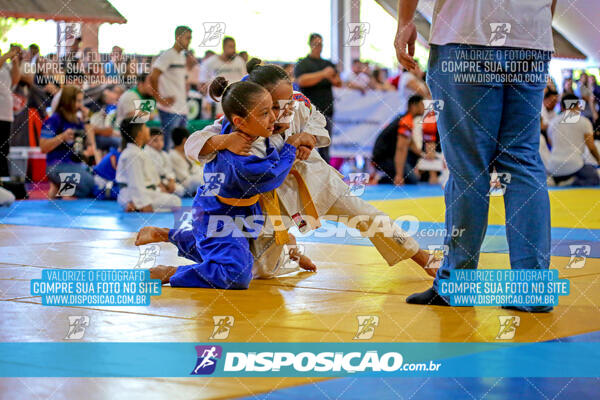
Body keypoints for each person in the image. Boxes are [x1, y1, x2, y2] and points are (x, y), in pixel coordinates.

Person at [185, 62, 439, 278]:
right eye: (272, 108)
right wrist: (223, 141)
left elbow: (318, 119)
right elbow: (193, 143)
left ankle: (423, 257)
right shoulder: (234, 123)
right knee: (261, 270)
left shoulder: (296, 104)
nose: (281, 115)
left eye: (286, 106)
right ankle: (286, 252)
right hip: (276, 199)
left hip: (320, 183)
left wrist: (310, 136)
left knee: (368, 216)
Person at [395, 0, 556, 312]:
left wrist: (405, 20)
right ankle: (533, 290)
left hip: (466, 34)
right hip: (531, 40)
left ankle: (456, 286)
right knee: (523, 162)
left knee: (469, 167)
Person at [141, 79, 316, 287]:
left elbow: (239, 95)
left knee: (238, 253)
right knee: (238, 273)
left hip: (242, 213)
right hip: (215, 214)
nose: (274, 117)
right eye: (265, 113)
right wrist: (292, 144)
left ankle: (169, 235)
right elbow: (273, 174)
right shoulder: (239, 158)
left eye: (273, 109)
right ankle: (171, 272)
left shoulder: (239, 125)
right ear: (239, 121)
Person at [40, 85, 96, 198]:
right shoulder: (55, 120)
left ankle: (61, 191)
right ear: (68, 101)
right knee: (91, 186)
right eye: (78, 101)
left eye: (81, 101)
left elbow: (91, 143)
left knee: (96, 183)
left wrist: (87, 121)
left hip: (74, 165)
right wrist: (62, 137)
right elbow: (43, 147)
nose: (81, 105)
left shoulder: (77, 120)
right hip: (57, 164)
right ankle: (62, 190)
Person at [294, 33, 342, 163]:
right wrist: (323, 74)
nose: (319, 47)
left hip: (327, 109)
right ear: (310, 44)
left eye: (321, 44)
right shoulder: (303, 63)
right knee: (307, 144)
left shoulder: (328, 63)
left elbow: (338, 82)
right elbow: (302, 81)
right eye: (316, 44)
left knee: (325, 145)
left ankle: (325, 175)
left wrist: (331, 76)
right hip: (308, 111)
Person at [115, 118, 181, 212]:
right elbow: (136, 183)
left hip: (145, 192)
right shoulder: (133, 154)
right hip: (131, 195)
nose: (148, 130)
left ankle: (136, 206)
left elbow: (151, 178)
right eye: (145, 127)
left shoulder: (139, 152)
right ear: (140, 134)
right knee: (175, 202)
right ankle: (136, 206)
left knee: (175, 201)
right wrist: (144, 204)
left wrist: (161, 187)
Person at [150, 26, 191, 150]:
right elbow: (153, 76)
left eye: (190, 38)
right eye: (187, 38)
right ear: (178, 38)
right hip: (169, 110)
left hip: (181, 107)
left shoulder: (181, 56)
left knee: (180, 146)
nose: (189, 41)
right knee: (168, 145)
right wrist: (159, 98)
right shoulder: (168, 55)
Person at [372, 95, 425, 185]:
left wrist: (424, 155)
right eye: (422, 105)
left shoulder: (404, 118)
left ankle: (391, 176)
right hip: (382, 159)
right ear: (413, 106)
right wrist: (399, 175)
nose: (424, 108)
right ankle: (381, 180)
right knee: (413, 180)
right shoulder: (406, 121)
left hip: (384, 157)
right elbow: (401, 149)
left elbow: (410, 143)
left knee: (414, 169)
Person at [548, 94, 600, 186]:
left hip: (553, 168)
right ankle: (572, 183)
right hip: (574, 166)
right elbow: (591, 147)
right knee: (595, 178)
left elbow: (552, 144)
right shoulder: (584, 121)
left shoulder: (552, 123)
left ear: (562, 107)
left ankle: (558, 181)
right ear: (577, 106)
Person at [0, 45, 20, 179]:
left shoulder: (5, 65)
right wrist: (9, 54)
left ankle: (3, 176)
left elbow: (15, 79)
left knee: (4, 147)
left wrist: (15, 61)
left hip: (6, 111)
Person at [144, 127, 183, 196]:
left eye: (161, 140)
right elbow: (151, 174)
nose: (159, 143)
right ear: (147, 141)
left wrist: (171, 181)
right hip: (153, 183)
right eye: (155, 140)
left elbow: (169, 171)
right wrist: (161, 185)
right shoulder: (146, 153)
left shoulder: (164, 154)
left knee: (180, 190)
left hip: (165, 181)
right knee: (159, 192)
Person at [168, 127, 203, 196]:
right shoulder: (173, 155)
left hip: (192, 177)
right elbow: (183, 177)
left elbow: (195, 167)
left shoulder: (186, 152)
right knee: (199, 179)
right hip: (184, 182)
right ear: (184, 140)